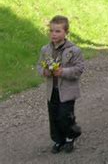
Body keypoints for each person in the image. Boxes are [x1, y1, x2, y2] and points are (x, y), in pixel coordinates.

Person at [37, 15, 84, 154]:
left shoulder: (74, 50)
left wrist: (63, 72)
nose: (54, 34)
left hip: (68, 91)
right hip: (52, 91)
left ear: (66, 33)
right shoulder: (45, 50)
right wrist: (44, 71)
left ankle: (71, 136)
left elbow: (79, 69)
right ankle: (58, 140)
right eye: (51, 31)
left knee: (65, 116)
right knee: (54, 116)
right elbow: (39, 66)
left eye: (58, 31)